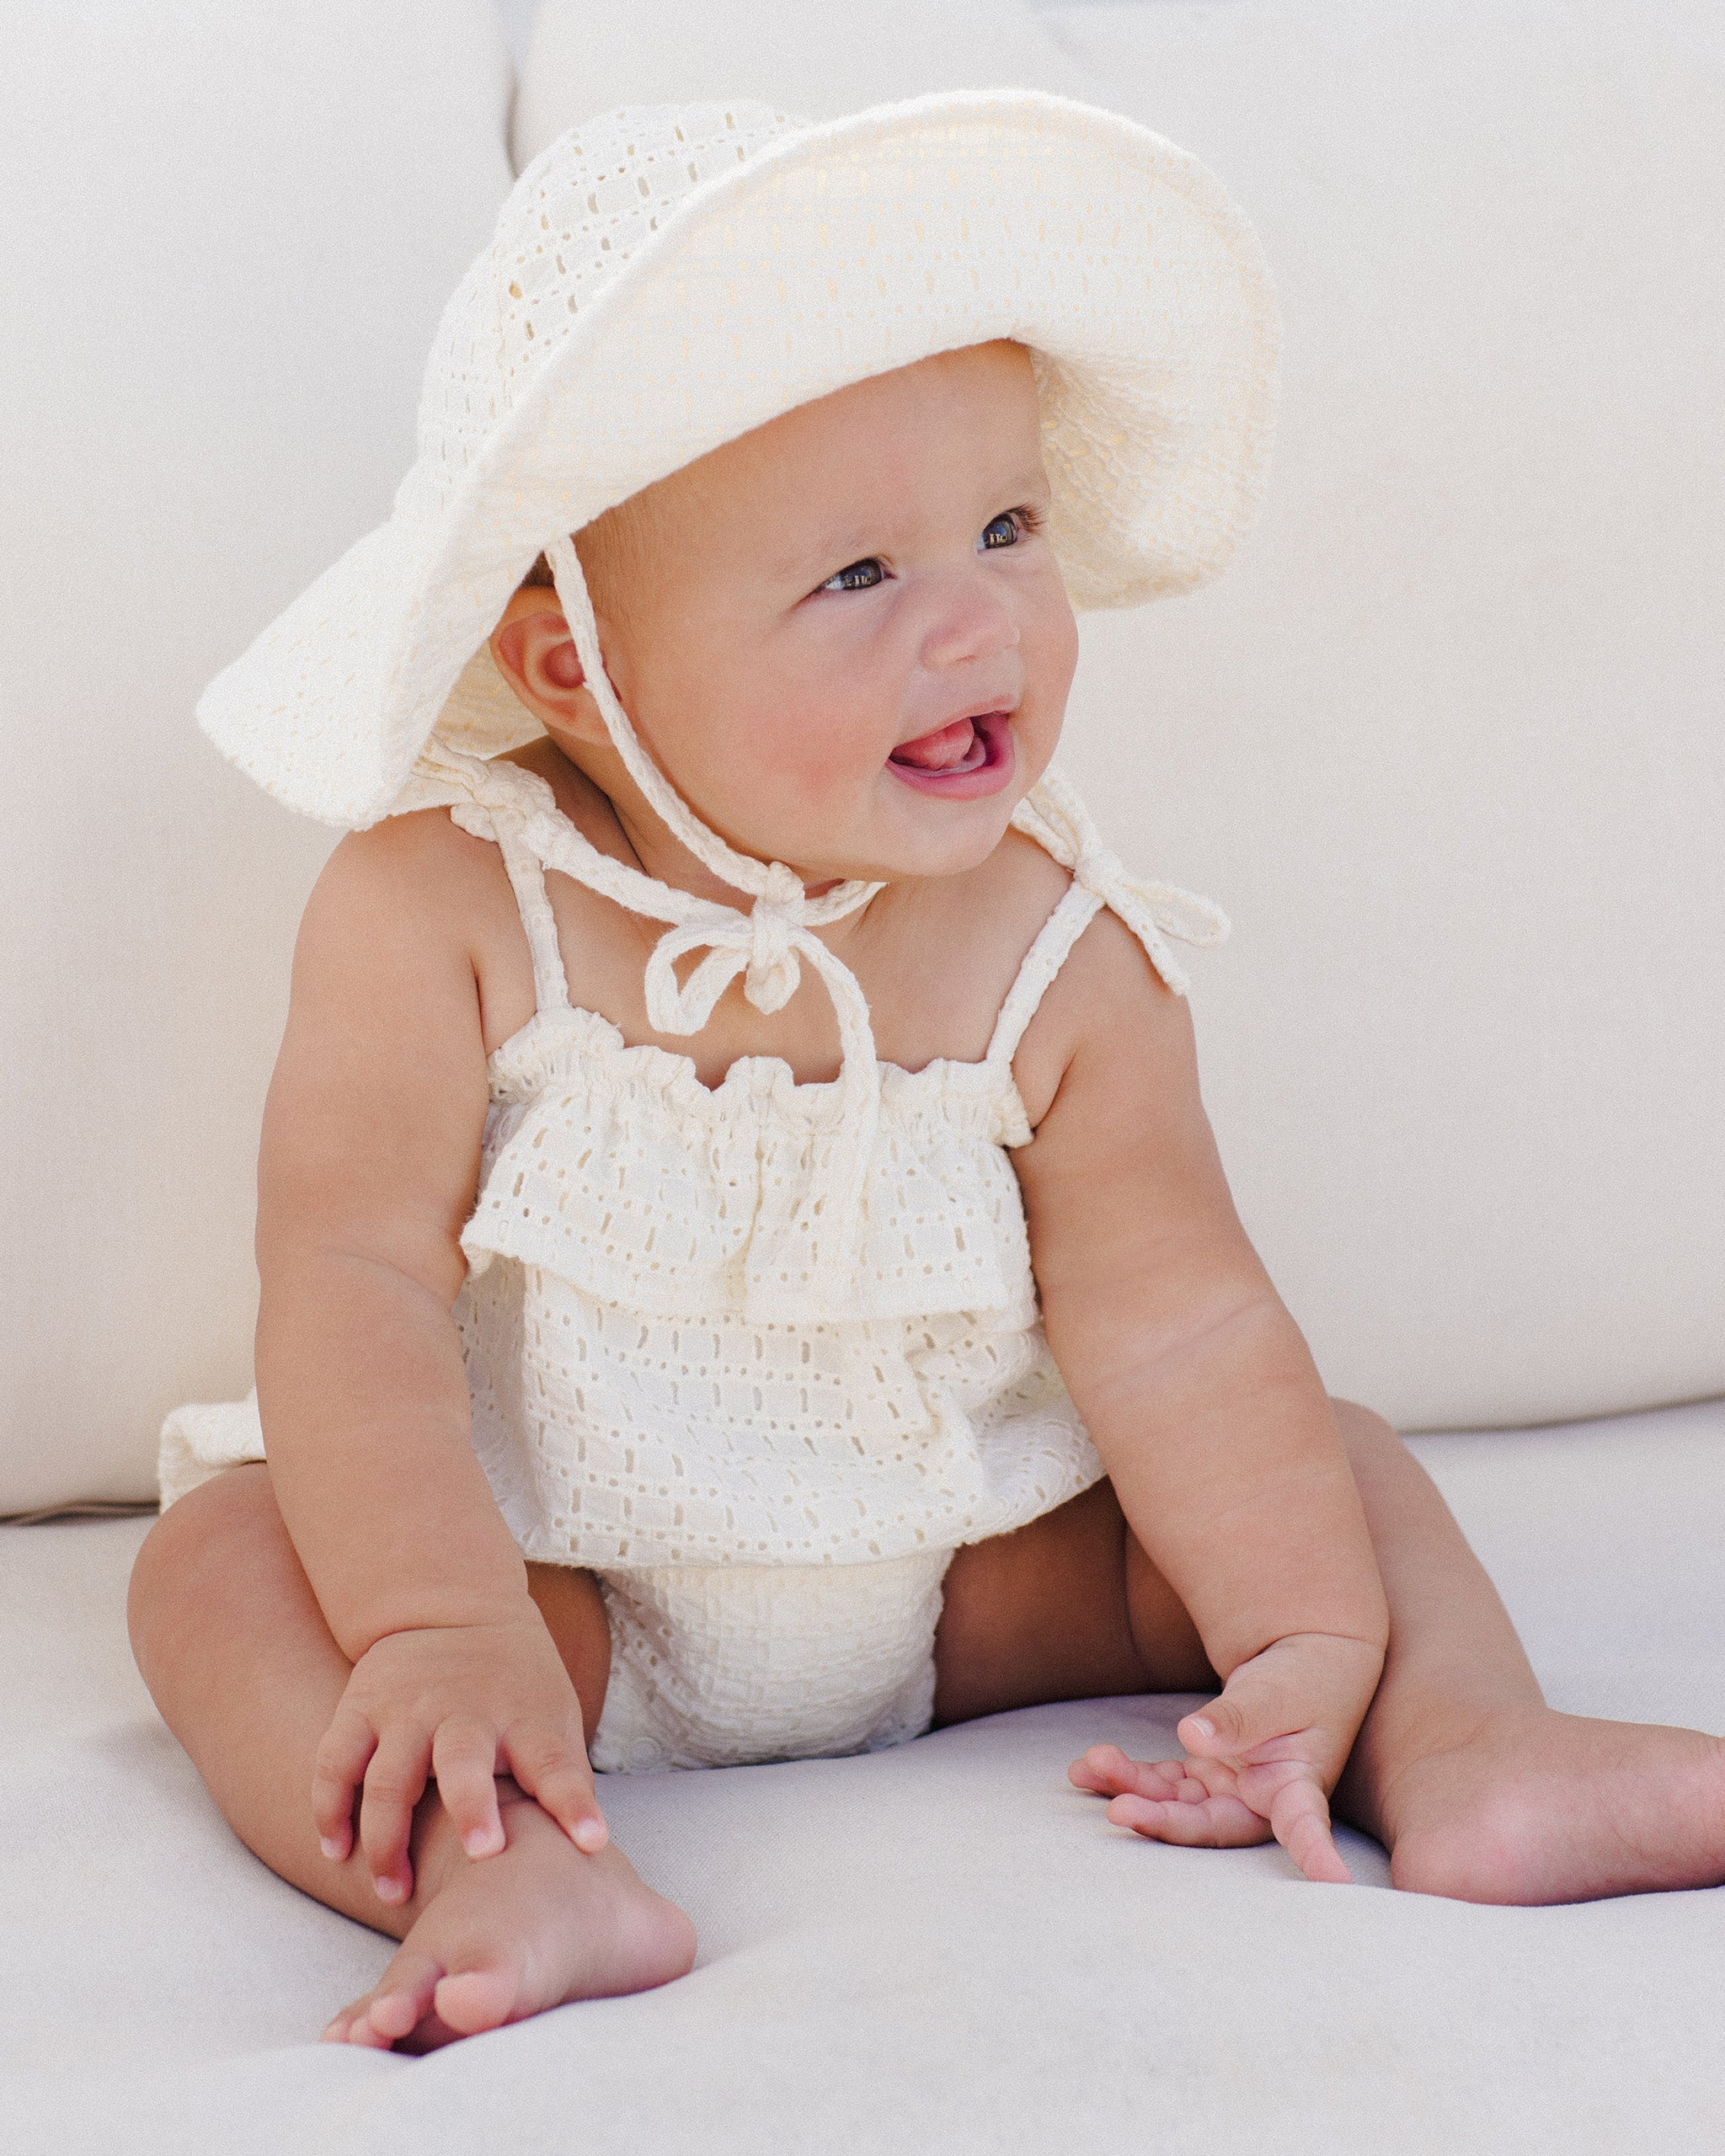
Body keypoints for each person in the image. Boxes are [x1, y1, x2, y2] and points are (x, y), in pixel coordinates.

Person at [126, 92, 1725, 2057]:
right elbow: (351, 1278)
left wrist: (1295, 1633)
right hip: (562, 1595)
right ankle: (500, 1857)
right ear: (574, 666)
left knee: (1342, 1465)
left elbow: (1184, 1315)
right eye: (857, 578)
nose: (975, 622)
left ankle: (1466, 1743)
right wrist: (442, 1629)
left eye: (1003, 528)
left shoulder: (1057, 943)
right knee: (217, 1569)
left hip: (973, 1583)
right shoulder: (446, 904)